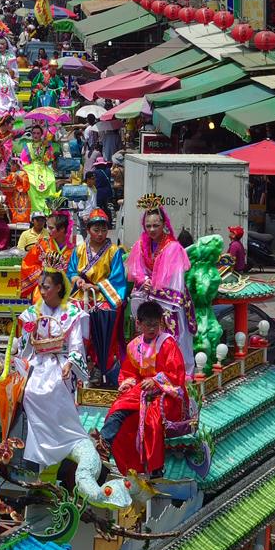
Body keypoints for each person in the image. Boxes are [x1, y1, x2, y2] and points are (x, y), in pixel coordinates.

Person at [96, 301, 188, 477]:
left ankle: (155, 469)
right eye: (148, 324)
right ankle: (105, 442)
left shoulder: (167, 344)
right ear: (139, 323)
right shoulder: (134, 346)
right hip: (142, 390)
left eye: (155, 324)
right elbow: (129, 372)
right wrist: (127, 383)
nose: (152, 329)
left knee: (152, 419)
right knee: (120, 406)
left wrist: (156, 382)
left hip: (166, 394)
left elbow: (177, 374)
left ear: (161, 322)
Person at [17, 267, 89, 469]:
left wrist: (70, 363)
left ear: (58, 287)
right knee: (29, 392)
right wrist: (21, 361)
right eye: (40, 286)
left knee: (58, 387)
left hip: (60, 361)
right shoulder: (33, 313)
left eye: (46, 287)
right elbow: (25, 344)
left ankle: (65, 444)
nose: (41, 290)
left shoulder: (72, 313)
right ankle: (38, 451)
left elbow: (76, 345)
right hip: (38, 361)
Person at [127, 202, 196, 375]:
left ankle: (178, 374)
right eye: (148, 225)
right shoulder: (140, 245)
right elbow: (136, 270)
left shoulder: (173, 248)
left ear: (164, 225)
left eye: (156, 225)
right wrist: (143, 280)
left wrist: (154, 287)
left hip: (169, 300)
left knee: (173, 337)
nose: (151, 229)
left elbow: (174, 280)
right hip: (148, 295)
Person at [67, 209, 127, 381]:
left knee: (106, 313)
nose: (100, 234)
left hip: (103, 295)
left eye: (103, 230)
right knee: (72, 313)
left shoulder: (114, 251)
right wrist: (78, 280)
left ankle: (102, 364)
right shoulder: (79, 250)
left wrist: (97, 286)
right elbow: (71, 271)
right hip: (81, 293)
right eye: (96, 230)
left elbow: (117, 279)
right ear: (88, 230)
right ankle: (76, 361)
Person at [21, 211, 74, 299]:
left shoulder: (73, 249)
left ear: (62, 229)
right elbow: (28, 264)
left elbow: (76, 272)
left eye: (51, 228)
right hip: (43, 288)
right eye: (48, 227)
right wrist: (45, 273)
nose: (48, 231)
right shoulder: (42, 244)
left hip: (65, 290)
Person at [20, 124, 57, 213]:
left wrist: (48, 148)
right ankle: (34, 209)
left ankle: (48, 208)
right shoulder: (27, 146)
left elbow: (48, 160)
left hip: (43, 167)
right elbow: (24, 161)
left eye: (38, 133)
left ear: (41, 134)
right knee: (30, 182)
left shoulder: (46, 144)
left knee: (51, 181)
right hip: (31, 168)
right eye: (34, 133)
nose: (36, 135)